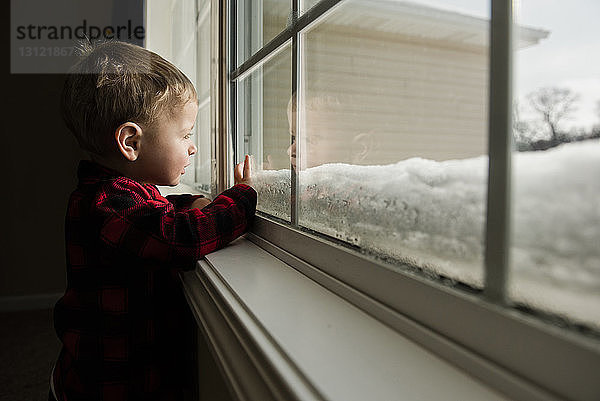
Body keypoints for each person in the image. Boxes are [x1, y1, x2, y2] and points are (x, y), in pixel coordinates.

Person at [50, 40, 256, 401]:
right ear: (130, 142)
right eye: (185, 135)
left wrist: (193, 200)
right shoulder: (108, 204)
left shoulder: (116, 193)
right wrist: (242, 197)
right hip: (106, 385)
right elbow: (180, 238)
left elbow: (153, 211)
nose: (192, 147)